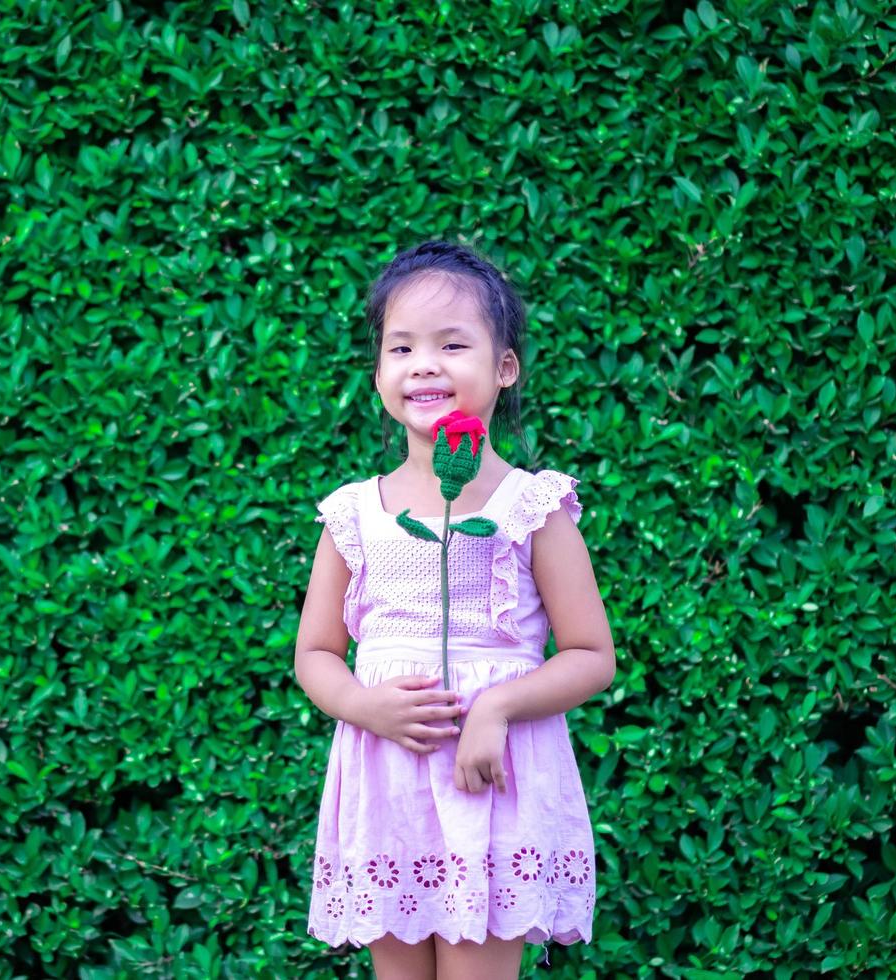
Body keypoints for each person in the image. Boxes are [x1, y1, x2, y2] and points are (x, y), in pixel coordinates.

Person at [295, 239, 616, 979]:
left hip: (491, 781)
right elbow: (313, 653)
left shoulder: (531, 507)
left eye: (451, 344)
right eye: (400, 346)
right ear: (378, 371)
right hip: (388, 785)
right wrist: (361, 704)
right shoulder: (354, 514)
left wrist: (497, 707)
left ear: (504, 368)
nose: (423, 365)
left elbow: (589, 655)